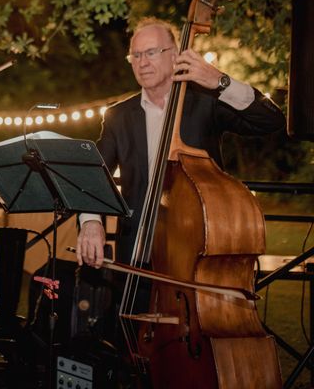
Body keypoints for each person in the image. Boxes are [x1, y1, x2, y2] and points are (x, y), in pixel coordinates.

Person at [76, 16, 285, 269]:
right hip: (137, 256)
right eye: (136, 55)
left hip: (196, 250)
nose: (142, 63)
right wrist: (90, 221)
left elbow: (270, 120)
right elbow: (92, 175)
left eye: (151, 52)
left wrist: (221, 82)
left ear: (175, 55)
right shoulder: (117, 116)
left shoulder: (205, 102)